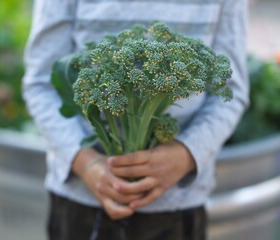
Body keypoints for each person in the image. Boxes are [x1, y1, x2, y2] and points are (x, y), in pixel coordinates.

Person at [22, 0, 249, 239]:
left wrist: (186, 154)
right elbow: (41, 85)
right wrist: (86, 163)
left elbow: (231, 92)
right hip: (81, 199)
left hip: (179, 203)